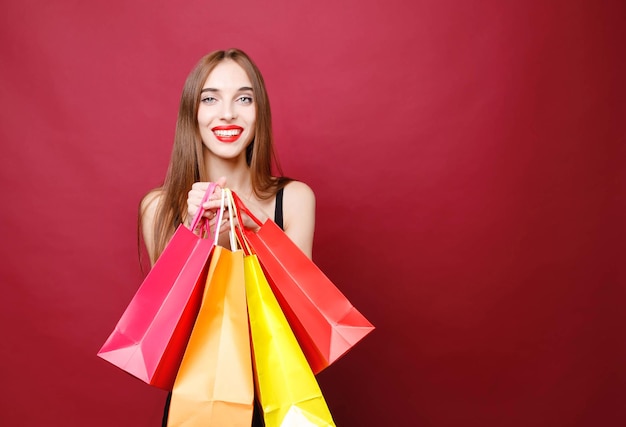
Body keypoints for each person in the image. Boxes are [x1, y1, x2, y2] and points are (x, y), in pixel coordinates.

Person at [139, 48, 316, 426]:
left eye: (244, 98)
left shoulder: (295, 199)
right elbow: (168, 333)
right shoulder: (159, 207)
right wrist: (196, 237)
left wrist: (256, 231)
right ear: (193, 113)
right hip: (199, 401)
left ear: (259, 113)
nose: (228, 113)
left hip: (278, 395)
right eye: (210, 98)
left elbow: (298, 321)